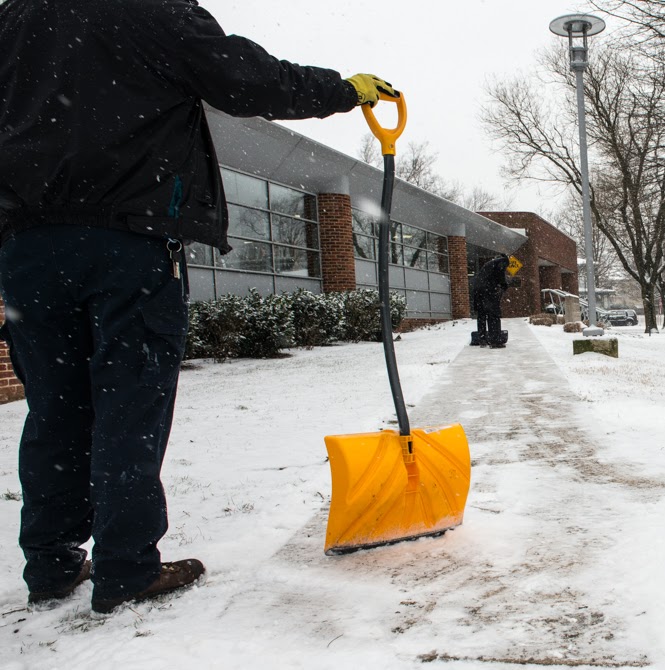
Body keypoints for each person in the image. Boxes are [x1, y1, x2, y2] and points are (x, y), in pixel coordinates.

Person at [0, 0, 398, 614]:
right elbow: (250, 79)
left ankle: (50, 564)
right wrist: (343, 90)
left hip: (29, 249)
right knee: (128, 405)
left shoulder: (15, 18)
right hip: (127, 241)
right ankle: (126, 567)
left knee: (54, 408)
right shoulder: (149, 13)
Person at [473, 255, 511, 348]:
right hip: (487, 291)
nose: (505, 269)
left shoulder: (488, 265)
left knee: (481, 315)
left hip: (477, 291)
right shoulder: (501, 263)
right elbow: (501, 278)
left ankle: (482, 340)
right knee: (493, 315)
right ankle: (495, 341)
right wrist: (504, 285)